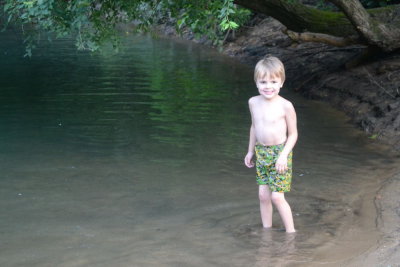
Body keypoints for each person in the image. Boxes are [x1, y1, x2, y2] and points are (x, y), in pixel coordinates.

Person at [244, 56, 298, 233]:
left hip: (280, 153)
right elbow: (254, 127)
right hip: (261, 152)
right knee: (263, 195)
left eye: (273, 82)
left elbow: (293, 134)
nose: (268, 86)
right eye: (263, 82)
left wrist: (283, 155)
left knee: (277, 197)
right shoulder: (253, 102)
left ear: (281, 82)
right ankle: (266, 231)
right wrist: (250, 151)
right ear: (256, 83)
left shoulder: (286, 106)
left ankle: (291, 233)